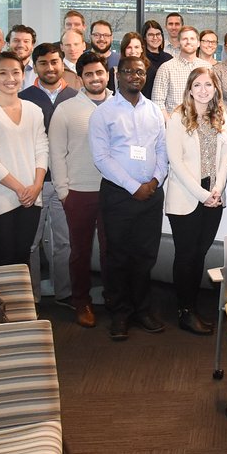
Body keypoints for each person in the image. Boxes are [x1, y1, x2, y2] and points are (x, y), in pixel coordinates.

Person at [88, 55, 168, 341]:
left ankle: (143, 309)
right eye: (129, 72)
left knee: (146, 256)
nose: (135, 76)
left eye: (140, 71)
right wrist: (133, 186)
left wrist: (155, 180)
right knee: (119, 256)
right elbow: (101, 157)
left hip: (151, 194)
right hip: (119, 195)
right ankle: (120, 313)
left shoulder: (155, 111)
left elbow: (162, 150)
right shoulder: (104, 113)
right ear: (117, 75)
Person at [165, 67, 227, 335]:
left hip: (214, 195)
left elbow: (226, 157)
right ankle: (185, 311)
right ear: (190, 88)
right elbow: (175, 162)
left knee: (200, 254)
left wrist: (217, 189)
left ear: (216, 88)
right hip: (186, 196)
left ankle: (191, 306)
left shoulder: (221, 116)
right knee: (186, 255)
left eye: (208, 85)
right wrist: (203, 194)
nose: (204, 90)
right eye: (198, 85)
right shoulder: (179, 116)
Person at [50, 52, 112, 328]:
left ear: (107, 73)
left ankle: (114, 297)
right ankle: (81, 301)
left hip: (115, 192)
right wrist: (64, 191)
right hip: (79, 191)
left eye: (99, 72)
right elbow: (56, 153)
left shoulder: (121, 105)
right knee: (80, 251)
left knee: (113, 250)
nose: (95, 78)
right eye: (89, 74)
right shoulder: (66, 109)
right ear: (80, 78)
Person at [0, 52, 48, 268]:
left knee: (22, 257)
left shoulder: (34, 110)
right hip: (0, 197)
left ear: (23, 75)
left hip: (32, 196)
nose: (10, 78)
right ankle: (1, 302)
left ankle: (18, 303)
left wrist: (36, 186)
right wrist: (19, 189)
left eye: (15, 72)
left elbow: (42, 148)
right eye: (3, 73)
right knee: (2, 259)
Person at [20, 42, 78, 304]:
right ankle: (30, 297)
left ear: (62, 63)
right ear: (35, 66)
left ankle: (64, 293)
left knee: (64, 241)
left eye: (55, 62)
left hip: (66, 182)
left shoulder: (76, 96)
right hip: (34, 182)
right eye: (43, 63)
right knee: (30, 243)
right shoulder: (24, 98)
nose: (50, 67)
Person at [141, 20, 175, 101]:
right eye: (151, 35)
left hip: (165, 106)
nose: (155, 38)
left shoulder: (169, 59)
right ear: (144, 37)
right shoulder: (140, 59)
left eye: (158, 34)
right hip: (144, 105)